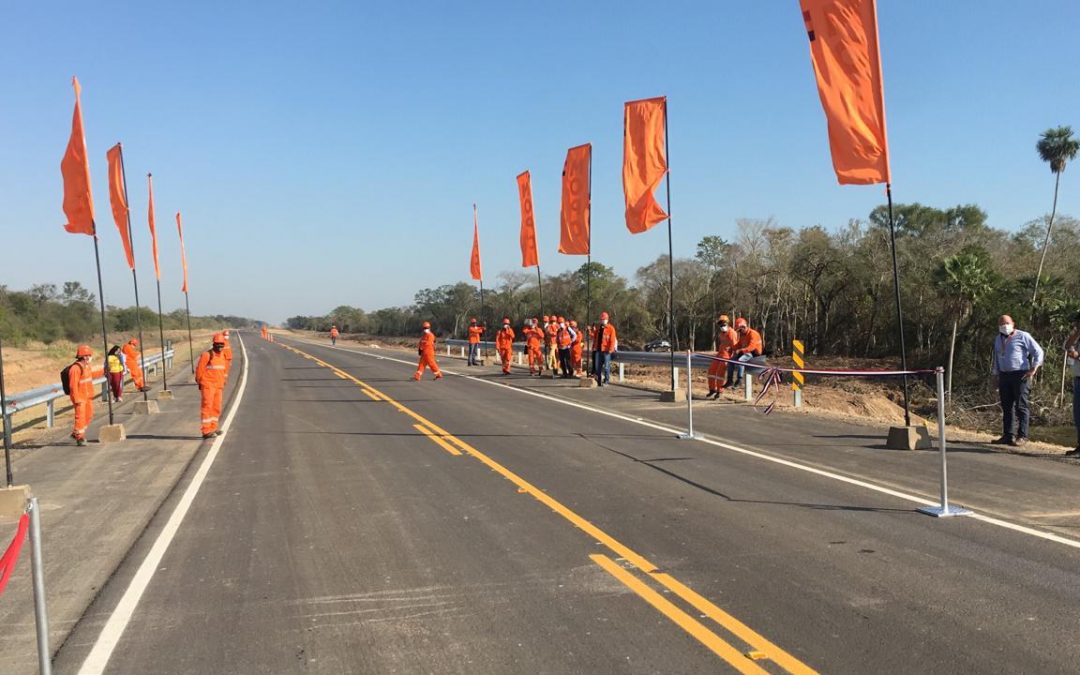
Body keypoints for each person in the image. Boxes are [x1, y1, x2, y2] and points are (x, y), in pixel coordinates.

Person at [990, 314, 1044, 447]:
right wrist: (995, 375)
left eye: (1007, 323)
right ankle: (1008, 435)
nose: (1004, 326)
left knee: (1021, 405)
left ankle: (1023, 436)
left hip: (1020, 375)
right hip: (1004, 375)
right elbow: (996, 358)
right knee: (1007, 406)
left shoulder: (1023, 336)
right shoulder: (998, 339)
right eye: (1001, 324)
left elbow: (1038, 351)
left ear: (1013, 324)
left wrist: (1034, 368)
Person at [195, 333, 230, 439]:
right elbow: (199, 370)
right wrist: (200, 383)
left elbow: (223, 370)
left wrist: (224, 380)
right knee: (207, 407)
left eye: (221, 344)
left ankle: (213, 428)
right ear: (213, 344)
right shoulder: (207, 355)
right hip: (208, 385)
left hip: (218, 386)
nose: (219, 346)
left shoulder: (223, 355)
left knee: (216, 408)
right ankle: (206, 430)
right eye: (217, 344)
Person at [67, 344, 102, 446]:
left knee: (88, 416)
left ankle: (76, 433)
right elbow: (73, 385)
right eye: (86, 355)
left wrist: (105, 370)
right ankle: (80, 437)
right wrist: (76, 398)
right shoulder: (75, 368)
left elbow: (92, 375)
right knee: (80, 417)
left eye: (89, 355)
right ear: (81, 356)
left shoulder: (86, 367)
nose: (88, 357)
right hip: (80, 398)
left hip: (88, 396)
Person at [707, 315, 740, 399]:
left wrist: (734, 358)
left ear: (727, 323)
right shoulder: (721, 334)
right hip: (719, 354)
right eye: (720, 325)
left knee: (720, 374)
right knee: (711, 370)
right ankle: (712, 389)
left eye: (723, 324)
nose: (722, 326)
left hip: (726, 356)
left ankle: (719, 391)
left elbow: (735, 346)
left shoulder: (732, 333)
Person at [727, 317, 764, 388]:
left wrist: (740, 350)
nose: (739, 332)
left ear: (743, 327)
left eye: (740, 330)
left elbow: (752, 347)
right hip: (745, 351)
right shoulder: (742, 335)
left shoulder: (753, 334)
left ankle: (739, 380)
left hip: (754, 353)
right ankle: (729, 380)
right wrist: (732, 348)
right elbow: (739, 344)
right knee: (731, 361)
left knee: (741, 360)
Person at [1065, 313, 1080, 457]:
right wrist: (1077, 333)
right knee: (1078, 415)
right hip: (1078, 379)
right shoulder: (1077, 336)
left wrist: (1078, 355)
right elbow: (1067, 346)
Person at [595, 312, 617, 386]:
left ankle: (606, 381)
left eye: (604, 319)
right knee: (598, 367)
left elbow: (612, 340)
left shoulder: (611, 328)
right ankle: (598, 380)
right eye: (601, 319)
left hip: (606, 351)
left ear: (607, 320)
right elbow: (595, 338)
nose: (602, 321)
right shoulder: (599, 328)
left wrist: (610, 350)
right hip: (599, 350)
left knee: (606, 367)